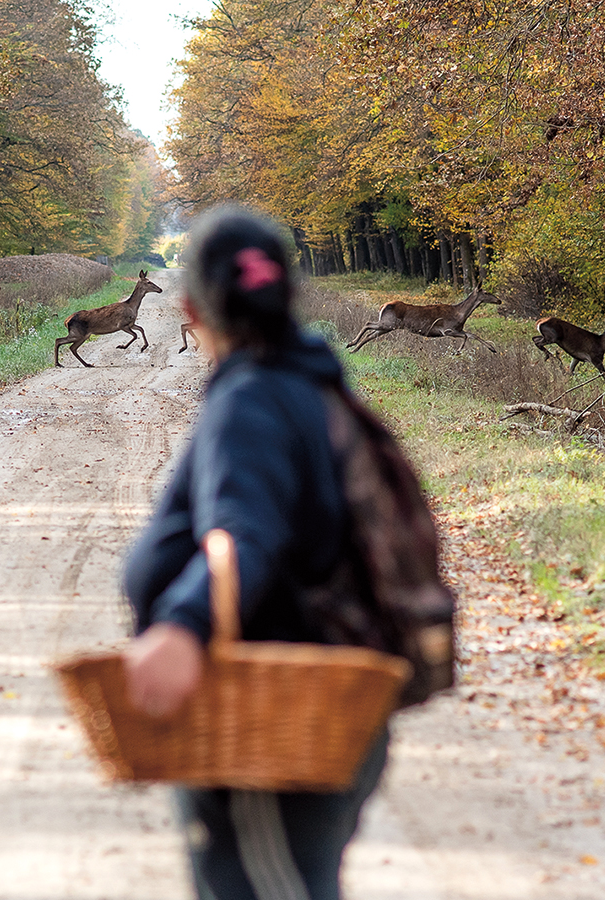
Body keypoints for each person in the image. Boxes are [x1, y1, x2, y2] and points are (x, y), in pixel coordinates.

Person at [122, 205, 387, 900]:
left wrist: (183, 625)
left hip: (266, 718)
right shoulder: (307, 382)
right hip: (310, 704)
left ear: (190, 310)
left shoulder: (251, 399)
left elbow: (245, 533)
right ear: (289, 297)